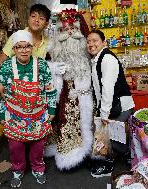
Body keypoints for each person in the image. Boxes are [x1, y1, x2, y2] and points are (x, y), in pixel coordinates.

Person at [0, 30, 57, 187]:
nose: (24, 50)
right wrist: (1, 114)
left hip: (38, 115)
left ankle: (38, 167)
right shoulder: (5, 67)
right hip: (14, 115)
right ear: (14, 49)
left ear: (32, 48)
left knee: (38, 145)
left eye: (27, 46)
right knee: (15, 146)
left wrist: (51, 110)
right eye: (19, 47)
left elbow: (50, 89)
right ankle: (18, 170)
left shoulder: (42, 65)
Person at [44, 9, 94, 170]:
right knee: (64, 121)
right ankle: (68, 155)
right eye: (65, 30)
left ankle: (83, 152)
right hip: (62, 91)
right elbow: (42, 66)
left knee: (83, 122)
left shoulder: (87, 48)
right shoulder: (53, 48)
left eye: (73, 29)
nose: (70, 33)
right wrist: (53, 68)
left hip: (83, 91)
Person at [86, 30, 135, 178]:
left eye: (95, 40)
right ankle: (126, 153)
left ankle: (109, 164)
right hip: (112, 105)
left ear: (103, 42)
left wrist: (104, 115)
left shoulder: (107, 59)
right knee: (108, 134)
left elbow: (108, 89)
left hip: (120, 106)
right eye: (88, 41)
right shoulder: (97, 59)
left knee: (108, 135)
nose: (91, 44)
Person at [0, 4, 63, 100]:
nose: (36, 20)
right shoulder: (16, 37)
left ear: (46, 24)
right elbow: (0, 62)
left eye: (41, 18)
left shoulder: (48, 42)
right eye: (33, 16)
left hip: (36, 94)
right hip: (16, 92)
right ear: (28, 19)